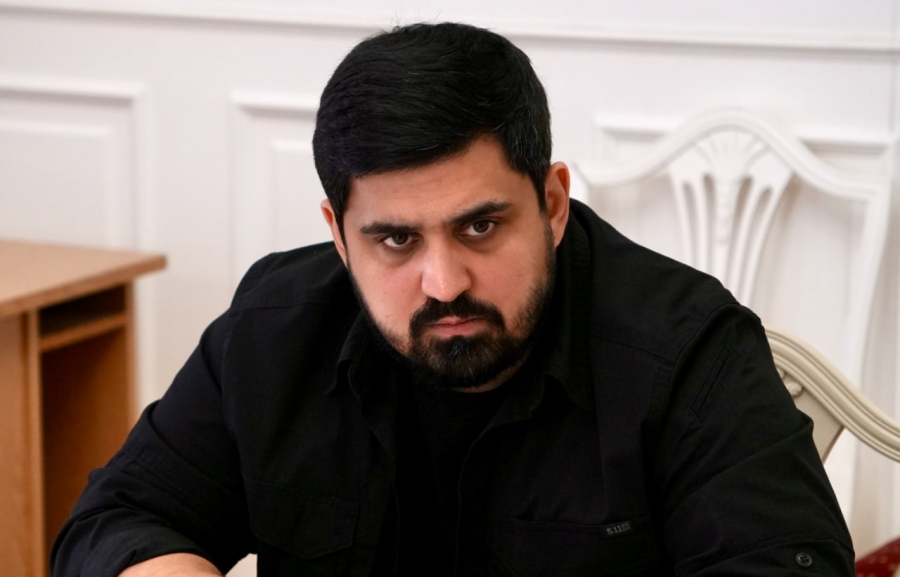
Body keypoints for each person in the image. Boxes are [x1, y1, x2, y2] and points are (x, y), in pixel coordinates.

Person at [51, 21, 854, 577]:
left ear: (552, 203)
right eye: (395, 239)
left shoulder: (689, 352)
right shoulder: (272, 333)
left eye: (480, 226)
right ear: (339, 235)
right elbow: (112, 522)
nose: (443, 283)